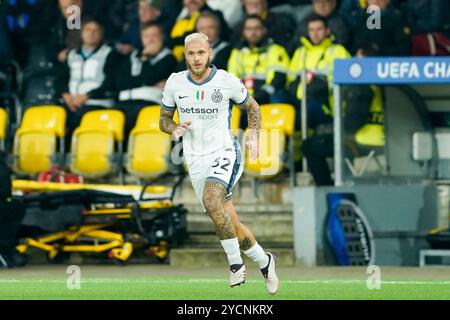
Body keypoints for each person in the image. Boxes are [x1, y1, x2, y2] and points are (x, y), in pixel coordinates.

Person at [159, 32, 279, 294]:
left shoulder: (226, 81)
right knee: (228, 222)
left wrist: (254, 136)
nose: (196, 58)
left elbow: (253, 107)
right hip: (196, 159)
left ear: (210, 53)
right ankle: (264, 261)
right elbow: (163, 120)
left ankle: (235, 265)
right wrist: (175, 129)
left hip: (225, 151)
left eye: (201, 52)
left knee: (212, 200)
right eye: (191, 53)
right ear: (185, 55)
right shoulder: (175, 83)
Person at [55, 18, 120, 144]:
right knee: (56, 117)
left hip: (97, 102)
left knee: (76, 120)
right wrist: (66, 96)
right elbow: (60, 80)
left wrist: (86, 96)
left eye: (96, 30)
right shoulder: (72, 54)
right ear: (82, 33)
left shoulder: (110, 54)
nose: (91, 33)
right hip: (71, 102)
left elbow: (110, 83)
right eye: (88, 30)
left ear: (102, 34)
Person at [116, 22, 177, 144]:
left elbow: (148, 78)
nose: (150, 40)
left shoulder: (169, 58)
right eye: (146, 36)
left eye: (154, 35)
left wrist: (145, 58)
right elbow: (119, 83)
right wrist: (142, 80)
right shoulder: (132, 56)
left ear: (162, 37)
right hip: (124, 102)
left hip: (148, 103)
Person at [228, 15, 290, 127]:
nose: (253, 32)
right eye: (249, 29)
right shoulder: (237, 53)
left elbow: (279, 79)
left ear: (264, 30)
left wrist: (261, 95)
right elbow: (232, 80)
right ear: (243, 32)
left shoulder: (275, 50)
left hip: (266, 98)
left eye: (257, 28)